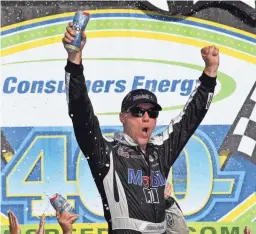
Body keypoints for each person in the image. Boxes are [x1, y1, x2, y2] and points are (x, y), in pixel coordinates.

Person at [63, 21, 219, 234]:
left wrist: (210, 74)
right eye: (138, 112)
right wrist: (74, 60)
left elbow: (190, 119)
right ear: (123, 117)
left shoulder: (161, 151)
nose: (146, 117)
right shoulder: (106, 154)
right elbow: (81, 114)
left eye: (152, 113)